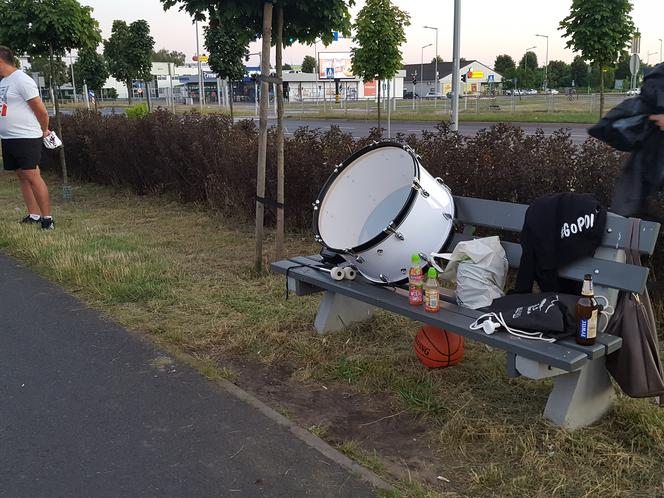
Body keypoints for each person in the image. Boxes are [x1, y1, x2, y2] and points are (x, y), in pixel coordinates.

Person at [0, 45, 54, 230]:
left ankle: (47, 219)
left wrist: (44, 130)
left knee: (32, 174)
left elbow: (41, 110)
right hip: (9, 137)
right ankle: (33, 214)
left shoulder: (22, 80)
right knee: (21, 175)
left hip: (26, 136)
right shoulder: (4, 82)